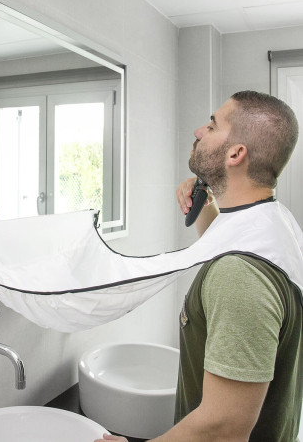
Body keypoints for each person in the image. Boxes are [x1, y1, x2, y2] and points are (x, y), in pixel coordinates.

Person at [95, 91, 303, 441]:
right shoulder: (275, 222)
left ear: (236, 153)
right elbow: (228, 242)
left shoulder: (240, 274)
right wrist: (207, 203)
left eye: (211, 125)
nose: (198, 131)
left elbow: (224, 428)